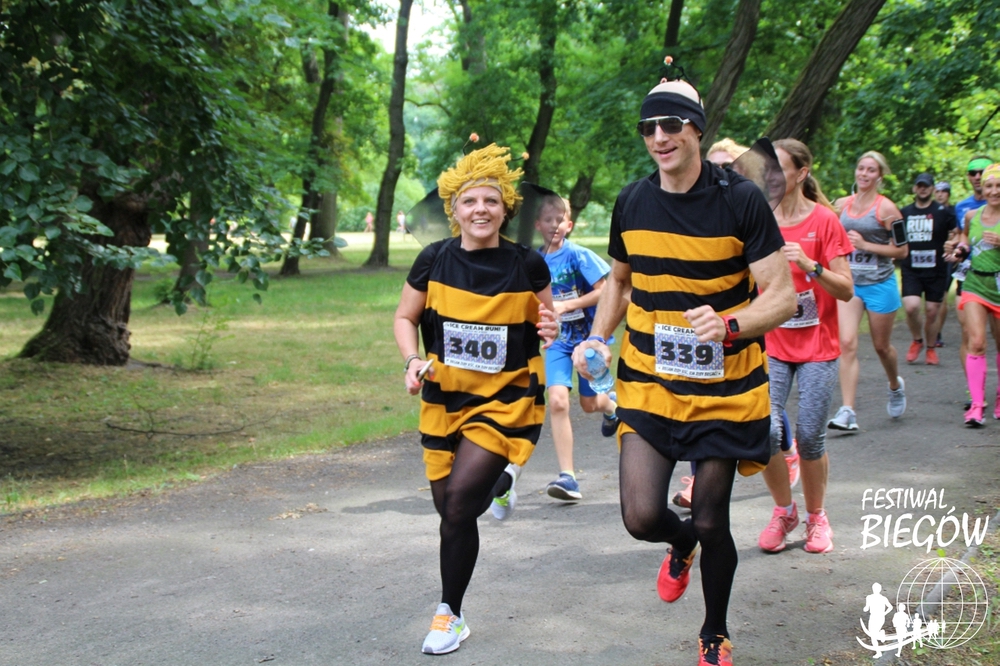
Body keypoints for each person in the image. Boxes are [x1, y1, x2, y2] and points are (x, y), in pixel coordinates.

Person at [573, 77, 796, 666]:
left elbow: (782, 297)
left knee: (713, 517)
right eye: (648, 127)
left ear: (696, 128)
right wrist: (596, 337)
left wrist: (728, 324)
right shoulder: (633, 200)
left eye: (670, 124)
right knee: (642, 516)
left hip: (725, 388)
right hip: (649, 381)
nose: (659, 137)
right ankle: (680, 542)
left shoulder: (740, 200)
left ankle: (714, 632)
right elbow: (619, 281)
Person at [393, 144, 559, 655]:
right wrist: (412, 360)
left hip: (505, 400)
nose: (480, 209)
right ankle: (502, 482)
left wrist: (550, 328)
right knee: (449, 508)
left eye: (491, 200)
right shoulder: (434, 259)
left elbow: (546, 321)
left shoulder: (527, 264)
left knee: (460, 505)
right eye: (469, 201)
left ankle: (449, 614)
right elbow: (405, 317)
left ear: (506, 208)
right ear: (454, 209)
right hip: (445, 398)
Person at [756, 139, 854, 556]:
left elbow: (846, 289)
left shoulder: (825, 221)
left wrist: (810, 265)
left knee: (811, 437)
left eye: (780, 168)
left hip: (817, 346)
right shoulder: (760, 218)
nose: (772, 176)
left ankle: (817, 517)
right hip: (773, 343)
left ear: (801, 173)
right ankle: (784, 511)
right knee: (764, 430)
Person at [535, 195, 618, 501]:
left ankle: (611, 407)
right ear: (537, 225)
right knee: (557, 401)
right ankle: (567, 477)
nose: (554, 225)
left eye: (560, 220)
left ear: (569, 225)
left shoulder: (579, 256)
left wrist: (568, 304)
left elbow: (606, 290)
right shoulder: (534, 262)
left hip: (588, 341)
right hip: (557, 341)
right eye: (548, 220)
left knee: (589, 404)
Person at [827, 151, 908, 432]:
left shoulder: (888, 209)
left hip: (880, 284)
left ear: (879, 176)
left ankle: (895, 385)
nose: (864, 174)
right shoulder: (841, 205)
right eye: (861, 168)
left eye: (871, 170)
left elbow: (902, 251)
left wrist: (865, 245)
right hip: (851, 284)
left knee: (881, 347)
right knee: (847, 343)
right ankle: (847, 411)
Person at [946, 162, 1000, 426]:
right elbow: (965, 239)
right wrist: (959, 250)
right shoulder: (972, 215)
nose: (994, 191)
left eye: (999, 186)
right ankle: (977, 406)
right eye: (989, 186)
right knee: (976, 342)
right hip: (975, 284)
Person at [899, 173, 957, 366]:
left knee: (932, 311)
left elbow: (956, 233)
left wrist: (952, 245)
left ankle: (931, 348)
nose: (923, 189)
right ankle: (917, 340)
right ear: (915, 188)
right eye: (920, 185)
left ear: (932, 189)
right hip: (911, 269)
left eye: (926, 186)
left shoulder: (943, 212)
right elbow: (896, 236)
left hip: (936, 269)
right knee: (911, 307)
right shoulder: (904, 212)